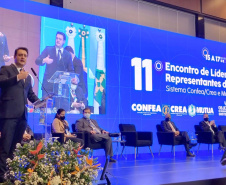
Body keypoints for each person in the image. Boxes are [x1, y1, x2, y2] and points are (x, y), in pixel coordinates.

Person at [0, 47, 39, 183]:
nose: (23, 57)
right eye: (20, 55)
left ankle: (10, 174)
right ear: (15, 56)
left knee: (15, 148)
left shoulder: (27, 76)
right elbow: (1, 82)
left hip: (22, 117)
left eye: (25, 55)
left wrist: (41, 102)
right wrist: (17, 77)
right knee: (5, 147)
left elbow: (30, 94)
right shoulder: (6, 70)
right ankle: (1, 177)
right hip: (8, 115)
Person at [35, 31, 74, 98]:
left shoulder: (67, 55)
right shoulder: (48, 49)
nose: (57, 40)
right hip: (47, 86)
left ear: (64, 41)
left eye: (60, 39)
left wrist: (68, 77)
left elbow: (71, 70)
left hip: (60, 87)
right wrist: (44, 60)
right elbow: (37, 61)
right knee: (45, 106)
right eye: (57, 38)